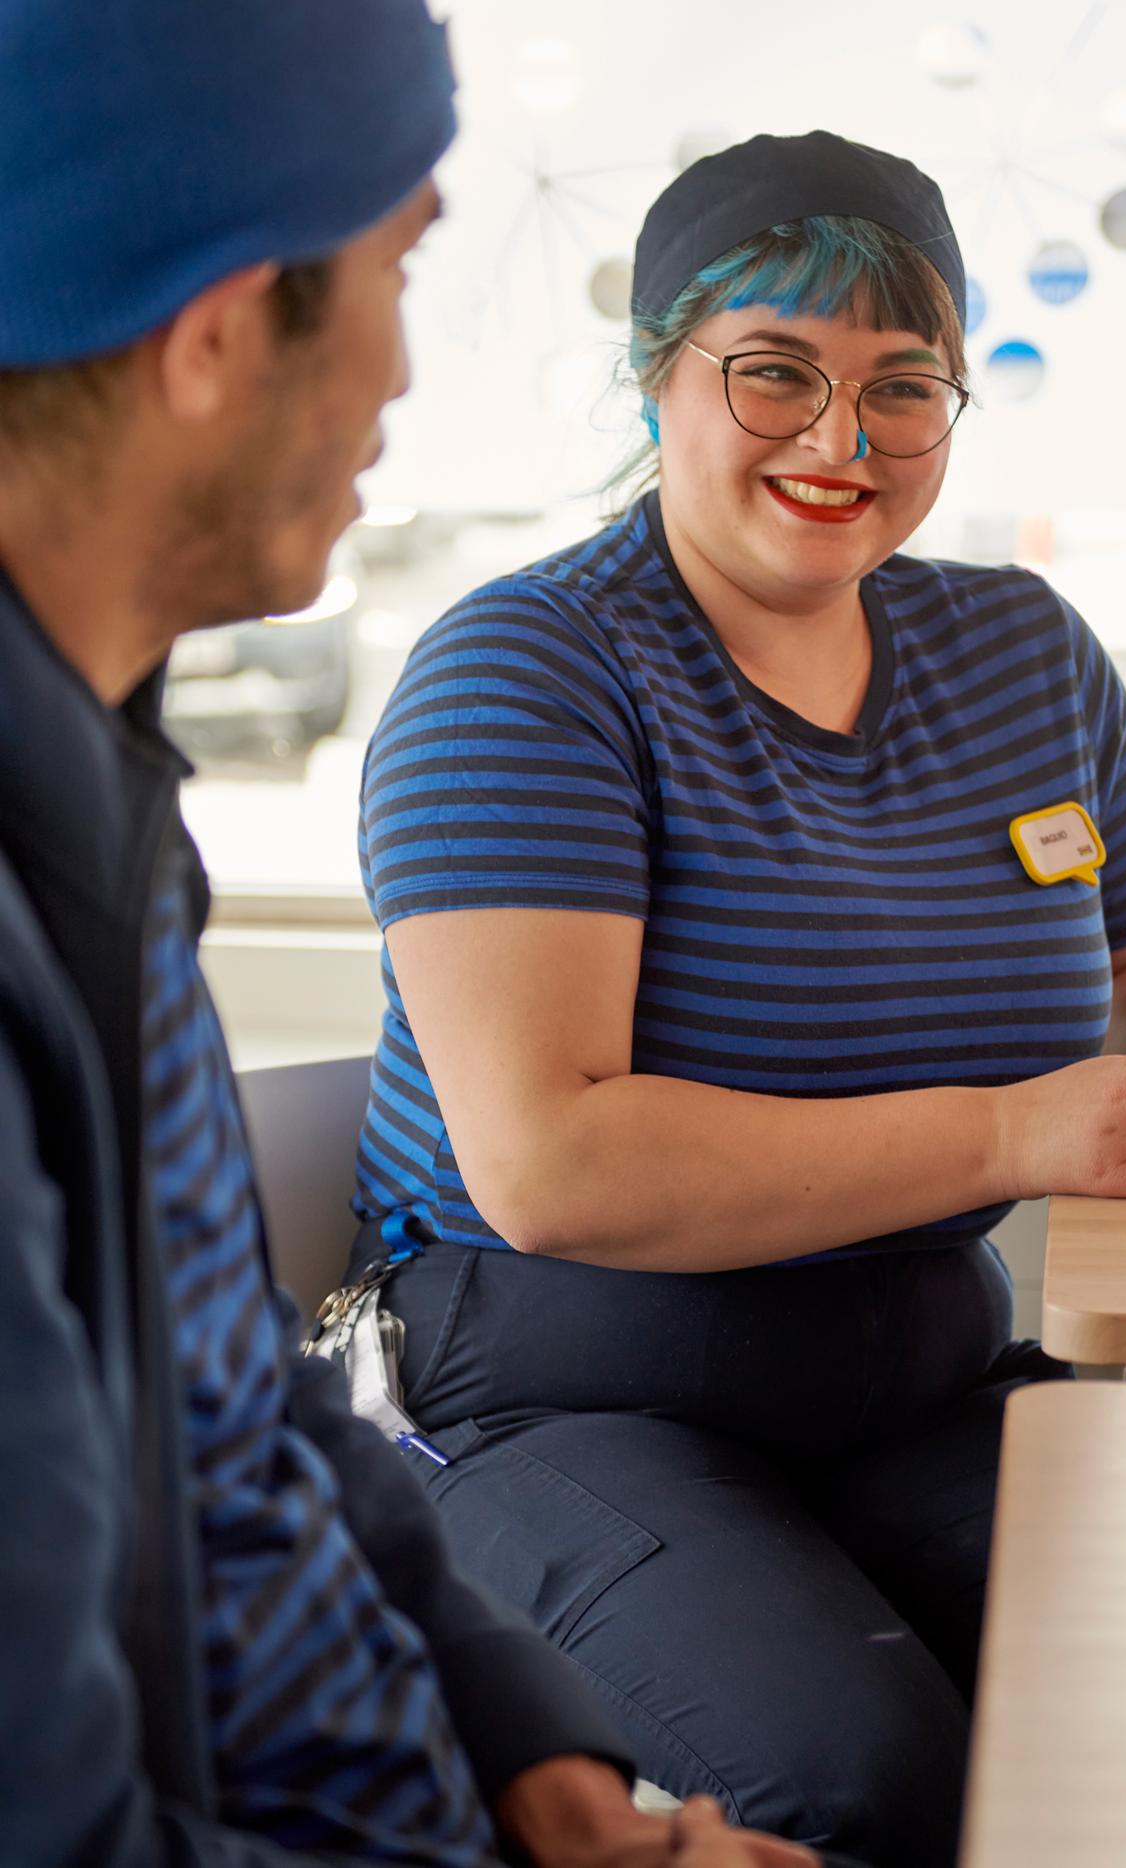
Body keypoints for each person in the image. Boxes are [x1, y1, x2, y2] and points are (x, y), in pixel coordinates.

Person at [348, 126, 1126, 1863]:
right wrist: (1024, 1125)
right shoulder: (525, 671)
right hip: (573, 1402)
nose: (840, 442)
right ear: (654, 378)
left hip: (920, 1379)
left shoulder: (1023, 654)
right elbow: (556, 1165)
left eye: (901, 386)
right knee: (868, 1786)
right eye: (774, 373)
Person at [0, 8, 833, 1866]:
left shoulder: (105, 802)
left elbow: (244, 1409)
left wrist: (534, 1759)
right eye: (395, 271)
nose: (401, 374)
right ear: (218, 331)